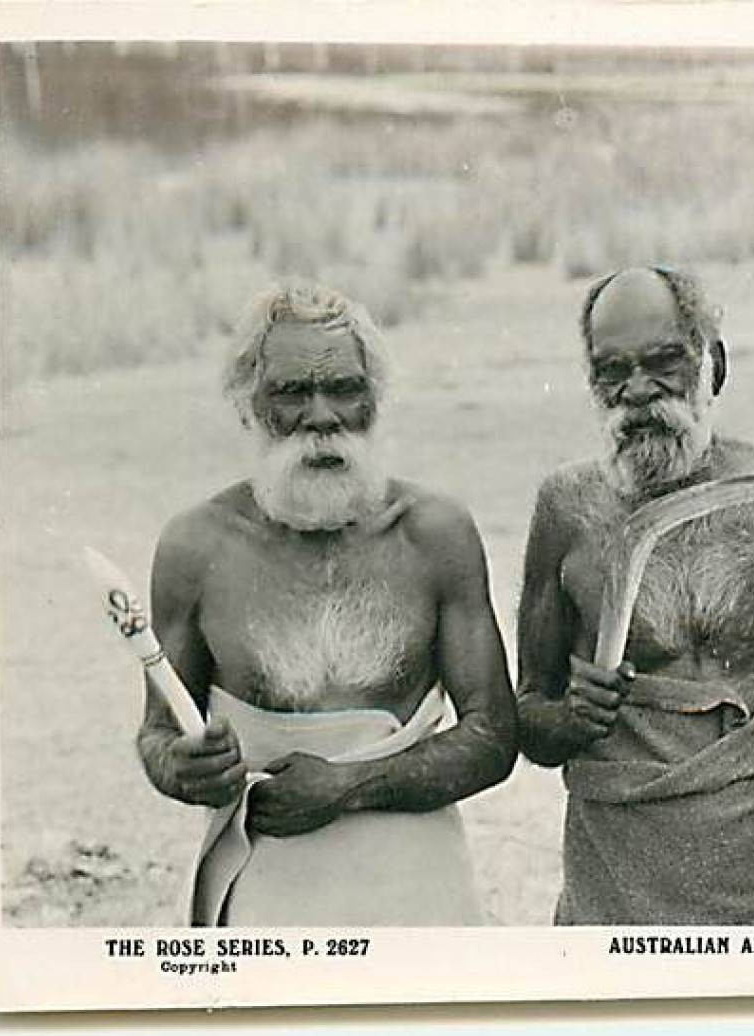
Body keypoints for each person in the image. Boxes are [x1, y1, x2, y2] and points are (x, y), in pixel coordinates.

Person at [135, 282, 517, 926]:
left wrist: (349, 788)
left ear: (376, 399)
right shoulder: (194, 548)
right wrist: (182, 768)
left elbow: (493, 735)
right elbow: (159, 732)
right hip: (260, 885)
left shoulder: (434, 534)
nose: (322, 417)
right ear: (245, 406)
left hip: (417, 888)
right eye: (291, 393)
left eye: (344, 389)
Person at [516, 266, 754, 925]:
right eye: (610, 371)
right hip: (625, 875)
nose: (637, 392)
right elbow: (530, 709)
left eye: (664, 361)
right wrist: (570, 719)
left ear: (713, 365)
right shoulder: (565, 508)